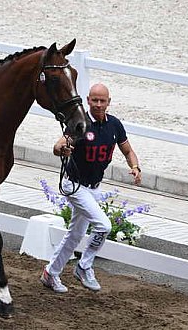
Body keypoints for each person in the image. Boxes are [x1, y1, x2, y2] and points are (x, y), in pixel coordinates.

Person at [40, 82, 142, 293]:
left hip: (94, 188)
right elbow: (59, 145)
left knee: (75, 235)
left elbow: (128, 150)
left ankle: (50, 273)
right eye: (94, 100)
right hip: (75, 185)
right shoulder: (80, 123)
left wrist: (135, 166)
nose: (98, 104)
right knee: (104, 226)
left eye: (101, 100)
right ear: (87, 100)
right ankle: (84, 266)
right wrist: (62, 149)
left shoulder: (114, 125)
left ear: (108, 102)